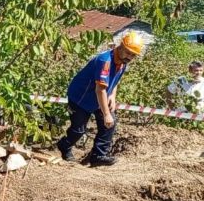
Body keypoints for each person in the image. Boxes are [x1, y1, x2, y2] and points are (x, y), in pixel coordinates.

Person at [56, 31, 146, 167]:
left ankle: (98, 155)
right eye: (128, 52)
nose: (130, 57)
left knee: (110, 123)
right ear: (120, 47)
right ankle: (64, 145)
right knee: (78, 130)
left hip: (100, 97)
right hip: (81, 97)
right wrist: (106, 114)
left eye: (133, 55)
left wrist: (112, 96)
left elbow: (114, 81)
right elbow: (100, 89)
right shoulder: (105, 61)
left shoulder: (122, 62)